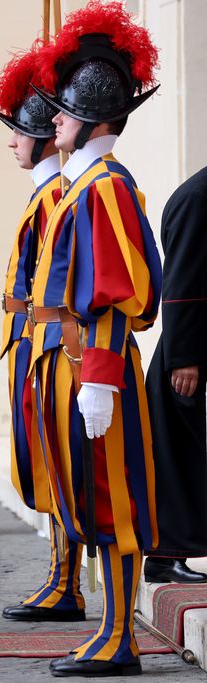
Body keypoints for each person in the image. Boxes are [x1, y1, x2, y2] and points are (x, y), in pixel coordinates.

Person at [27, 1, 162, 675]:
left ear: (93, 113)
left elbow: (113, 290)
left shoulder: (104, 188)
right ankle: (111, 629)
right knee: (90, 500)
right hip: (75, 361)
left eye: (62, 109)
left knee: (114, 502)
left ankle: (120, 637)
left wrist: (101, 374)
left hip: (93, 364)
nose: (52, 119)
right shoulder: (89, 186)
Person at [0, 45, 87, 622]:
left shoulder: (55, 195)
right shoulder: (48, 191)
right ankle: (60, 576)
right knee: (45, 463)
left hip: (50, 345)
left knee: (58, 465)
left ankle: (66, 581)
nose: (13, 141)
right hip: (32, 343)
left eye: (20, 131)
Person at [142, 164, 207, 583]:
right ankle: (167, 555)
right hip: (191, 347)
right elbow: (181, 278)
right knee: (177, 446)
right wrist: (183, 356)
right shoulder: (197, 197)